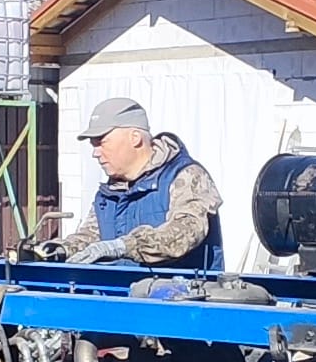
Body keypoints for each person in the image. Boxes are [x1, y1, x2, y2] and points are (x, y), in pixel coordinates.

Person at [64, 97, 223, 269]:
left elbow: (185, 233)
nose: (95, 153)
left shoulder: (185, 176)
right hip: (118, 293)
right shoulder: (109, 191)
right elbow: (91, 237)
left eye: (102, 143)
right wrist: (59, 250)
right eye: (93, 145)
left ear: (135, 138)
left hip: (181, 292)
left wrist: (125, 246)